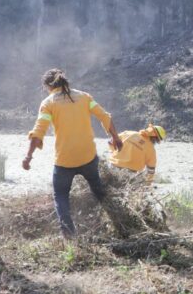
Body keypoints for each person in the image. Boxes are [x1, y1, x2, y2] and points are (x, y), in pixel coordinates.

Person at [23, 68, 123, 236]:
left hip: (65, 160)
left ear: (48, 86)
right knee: (98, 190)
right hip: (88, 156)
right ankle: (118, 220)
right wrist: (116, 137)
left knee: (61, 195)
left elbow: (38, 132)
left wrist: (28, 156)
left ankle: (69, 234)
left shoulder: (48, 103)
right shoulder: (84, 97)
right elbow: (104, 116)